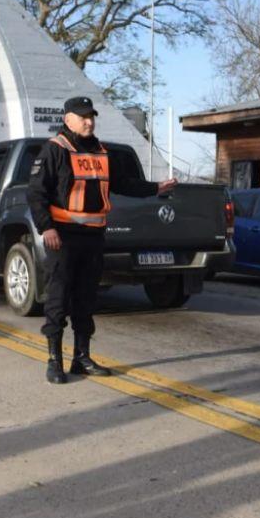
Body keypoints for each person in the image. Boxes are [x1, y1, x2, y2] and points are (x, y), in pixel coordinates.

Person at [28, 96, 178, 384]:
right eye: (83, 117)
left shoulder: (102, 152)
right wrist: (47, 228)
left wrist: (156, 188)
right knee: (58, 298)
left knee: (86, 298)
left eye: (91, 116)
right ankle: (54, 360)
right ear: (68, 119)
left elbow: (124, 184)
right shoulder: (55, 149)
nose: (89, 122)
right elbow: (36, 193)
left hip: (93, 237)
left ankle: (81, 358)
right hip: (63, 237)